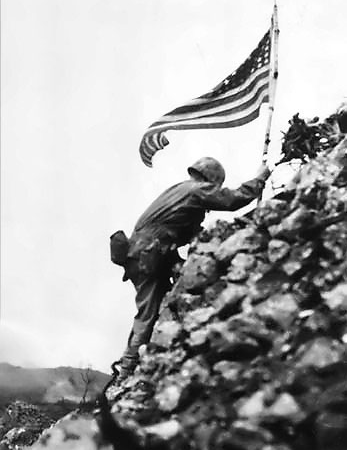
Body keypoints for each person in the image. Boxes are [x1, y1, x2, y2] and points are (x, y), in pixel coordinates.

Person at [112, 157, 270, 382]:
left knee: (157, 305)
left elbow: (167, 231)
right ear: (212, 179)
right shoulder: (196, 190)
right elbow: (231, 200)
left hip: (142, 254)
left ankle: (140, 357)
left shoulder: (178, 190)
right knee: (148, 311)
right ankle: (128, 367)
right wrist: (259, 179)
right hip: (148, 256)